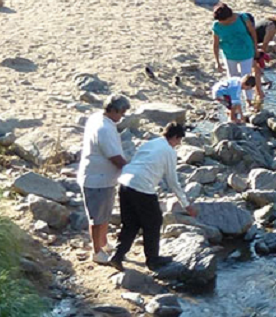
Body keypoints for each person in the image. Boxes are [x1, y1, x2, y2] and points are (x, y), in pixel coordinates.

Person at [111, 122, 197, 272]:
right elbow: (172, 181)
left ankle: (117, 255)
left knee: (130, 223)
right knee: (154, 223)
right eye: (179, 140)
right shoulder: (169, 151)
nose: (178, 144)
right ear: (175, 137)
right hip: (142, 187)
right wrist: (186, 204)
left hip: (125, 183)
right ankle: (152, 260)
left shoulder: (150, 143)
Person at [77, 94, 130, 264]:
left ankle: (104, 242)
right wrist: (132, 169)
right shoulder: (104, 129)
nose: (122, 117)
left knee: (105, 214)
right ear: (113, 110)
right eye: (121, 113)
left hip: (105, 179)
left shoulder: (97, 118)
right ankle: (97, 251)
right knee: (97, 218)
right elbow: (114, 157)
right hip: (96, 179)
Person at [212, 3, 258, 83]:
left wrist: (256, 49)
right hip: (229, 55)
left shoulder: (243, 18)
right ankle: (235, 95)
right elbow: (215, 45)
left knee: (247, 79)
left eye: (224, 21)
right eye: (220, 21)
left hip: (246, 52)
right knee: (232, 80)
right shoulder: (216, 26)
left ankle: (248, 96)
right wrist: (217, 62)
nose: (223, 23)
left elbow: (253, 33)